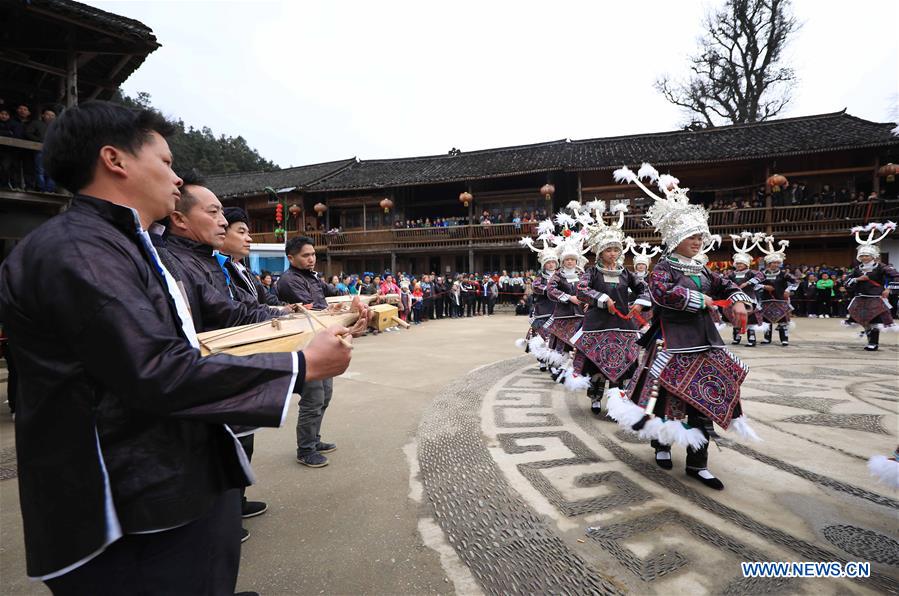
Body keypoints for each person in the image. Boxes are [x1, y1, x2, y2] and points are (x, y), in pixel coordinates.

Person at [0, 101, 352, 593]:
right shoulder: (78, 251)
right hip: (130, 497)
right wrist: (297, 365)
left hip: (166, 471)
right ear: (115, 160)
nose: (176, 181)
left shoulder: (122, 241)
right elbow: (155, 370)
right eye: (165, 162)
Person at [607, 164, 757, 491]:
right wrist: (699, 299)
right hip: (670, 341)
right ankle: (661, 444)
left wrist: (739, 300)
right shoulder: (663, 267)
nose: (698, 241)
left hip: (705, 341)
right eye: (691, 236)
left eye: (700, 236)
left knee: (706, 398)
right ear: (676, 238)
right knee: (666, 401)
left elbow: (726, 285)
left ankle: (698, 464)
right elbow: (662, 293)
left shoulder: (703, 269)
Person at [571, 211, 649, 415]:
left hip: (623, 324)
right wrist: (602, 299)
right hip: (598, 324)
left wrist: (640, 304)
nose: (612, 254)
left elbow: (644, 289)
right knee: (596, 363)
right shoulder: (592, 272)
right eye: (608, 250)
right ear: (600, 253)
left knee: (625, 364)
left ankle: (617, 402)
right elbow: (581, 290)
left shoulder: (625, 273)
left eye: (616, 250)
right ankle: (595, 396)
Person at [276, 236, 341, 468]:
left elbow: (329, 294)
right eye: (306, 255)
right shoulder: (289, 280)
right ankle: (305, 450)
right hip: (305, 346)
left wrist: (335, 305)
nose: (311, 259)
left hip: (321, 341)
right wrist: (331, 310)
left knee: (325, 395)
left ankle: (314, 439)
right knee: (313, 399)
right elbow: (310, 309)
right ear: (291, 258)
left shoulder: (311, 276)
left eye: (313, 254)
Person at [845, 222, 899, 351]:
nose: (864, 257)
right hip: (860, 298)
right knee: (864, 321)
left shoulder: (881, 267)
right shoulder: (857, 269)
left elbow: (896, 276)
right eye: (862, 255)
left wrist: (888, 289)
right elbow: (847, 282)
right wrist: (858, 279)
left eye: (867, 255)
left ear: (873, 256)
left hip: (875, 297)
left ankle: (873, 343)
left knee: (874, 321)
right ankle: (869, 338)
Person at [518, 223, 559, 372]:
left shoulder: (560, 276)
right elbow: (536, 288)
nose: (551, 265)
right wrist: (551, 290)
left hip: (558, 310)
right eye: (548, 263)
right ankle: (542, 359)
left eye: (553, 262)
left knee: (555, 339)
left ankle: (554, 363)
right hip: (543, 310)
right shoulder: (539, 277)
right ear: (544, 264)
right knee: (541, 337)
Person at [725, 232, 766, 347]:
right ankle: (736, 337)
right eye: (737, 264)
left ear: (746, 264)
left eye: (741, 264)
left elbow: (761, 276)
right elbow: (724, 281)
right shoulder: (732, 274)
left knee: (750, 319)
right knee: (735, 318)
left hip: (749, 298)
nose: (738, 265)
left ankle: (751, 339)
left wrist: (748, 283)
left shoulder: (751, 273)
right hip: (735, 299)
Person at [757, 236, 797, 346]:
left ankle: (784, 339)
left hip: (780, 299)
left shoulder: (784, 273)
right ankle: (767, 339)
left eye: (777, 263)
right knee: (767, 321)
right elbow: (754, 284)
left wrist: (788, 290)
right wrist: (764, 287)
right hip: (766, 300)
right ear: (768, 264)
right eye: (773, 263)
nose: (775, 264)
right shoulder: (762, 274)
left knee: (783, 321)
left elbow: (795, 282)